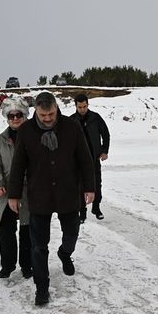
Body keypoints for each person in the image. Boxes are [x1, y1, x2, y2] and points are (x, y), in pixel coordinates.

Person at [8, 91, 95, 306]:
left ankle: (65, 254)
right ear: (36, 110)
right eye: (43, 115)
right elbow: (18, 165)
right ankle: (42, 288)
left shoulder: (71, 127)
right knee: (39, 246)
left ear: (56, 108)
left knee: (72, 234)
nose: (47, 118)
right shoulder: (26, 131)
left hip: (67, 193)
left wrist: (90, 188)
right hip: (39, 196)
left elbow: (85, 159)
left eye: (51, 114)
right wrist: (14, 194)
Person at [0, 98, 32, 279]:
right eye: (11, 115)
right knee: (6, 230)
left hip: (28, 193)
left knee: (28, 231)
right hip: (7, 193)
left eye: (19, 115)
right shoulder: (0, 140)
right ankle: (7, 265)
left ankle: (27, 265)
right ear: (7, 118)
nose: (15, 118)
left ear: (24, 116)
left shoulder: (33, 136)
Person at [69, 94, 110, 222]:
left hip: (94, 158)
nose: (82, 109)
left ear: (88, 105)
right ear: (75, 106)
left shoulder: (95, 118)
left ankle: (96, 208)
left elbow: (106, 134)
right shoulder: (71, 120)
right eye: (80, 107)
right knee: (80, 186)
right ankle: (82, 213)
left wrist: (104, 151)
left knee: (97, 184)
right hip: (78, 161)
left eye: (84, 106)